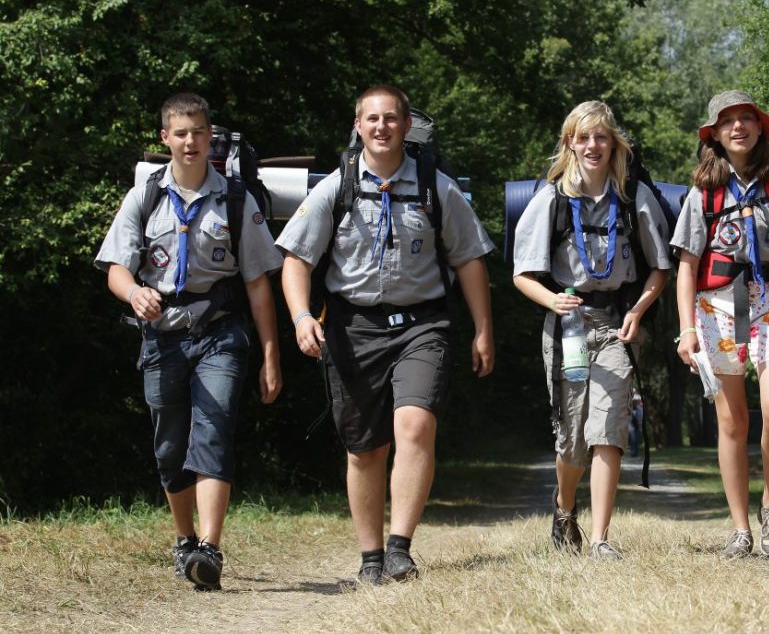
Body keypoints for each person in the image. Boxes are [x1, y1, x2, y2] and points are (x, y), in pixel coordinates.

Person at [277, 84, 494, 585]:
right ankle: (370, 557)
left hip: (423, 324)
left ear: (405, 126)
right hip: (353, 329)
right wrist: (301, 317)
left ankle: (400, 549)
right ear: (359, 126)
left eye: (391, 119)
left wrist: (483, 330)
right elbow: (295, 261)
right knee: (364, 449)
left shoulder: (437, 188)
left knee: (415, 427)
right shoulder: (337, 187)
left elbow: (469, 260)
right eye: (372, 119)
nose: (381, 127)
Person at [95, 93, 283, 591]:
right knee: (169, 446)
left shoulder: (237, 199)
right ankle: (184, 542)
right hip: (161, 337)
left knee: (214, 428)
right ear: (165, 138)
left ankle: (210, 549)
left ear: (210, 136)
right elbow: (116, 267)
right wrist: (134, 292)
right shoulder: (146, 196)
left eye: (198, 132)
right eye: (180, 133)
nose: (190, 141)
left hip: (220, 331)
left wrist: (270, 355)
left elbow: (259, 284)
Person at [512, 101, 670, 560]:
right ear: (570, 144)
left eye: (601, 137)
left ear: (613, 144)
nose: (593, 146)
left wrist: (638, 312)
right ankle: (564, 509)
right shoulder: (552, 200)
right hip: (569, 328)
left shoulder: (633, 198)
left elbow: (660, 269)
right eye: (583, 137)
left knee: (609, 430)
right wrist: (553, 301)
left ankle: (600, 538)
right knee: (574, 438)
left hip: (617, 326)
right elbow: (522, 275)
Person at [672, 90, 769, 560]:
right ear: (714, 134)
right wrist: (686, 330)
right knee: (732, 421)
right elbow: (686, 264)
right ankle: (739, 528)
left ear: (760, 128)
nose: (738, 127)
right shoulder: (703, 193)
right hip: (716, 309)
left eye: (746, 119)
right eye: (728, 121)